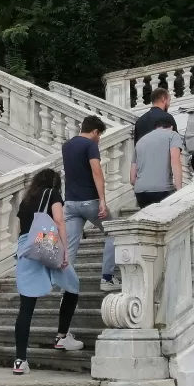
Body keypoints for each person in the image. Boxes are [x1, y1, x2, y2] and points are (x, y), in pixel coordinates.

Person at [13, 168, 82, 374]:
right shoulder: (52, 193)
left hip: (27, 247)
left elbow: (21, 230)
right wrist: (64, 251)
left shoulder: (26, 201)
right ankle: (62, 336)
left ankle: (20, 361)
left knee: (26, 305)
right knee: (73, 286)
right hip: (49, 242)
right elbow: (59, 220)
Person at [61, 116, 118, 291]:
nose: (99, 139)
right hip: (89, 201)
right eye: (99, 135)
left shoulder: (67, 146)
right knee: (113, 231)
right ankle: (107, 278)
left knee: (70, 246)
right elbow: (97, 172)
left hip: (70, 203)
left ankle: (66, 286)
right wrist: (102, 200)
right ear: (94, 131)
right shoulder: (90, 145)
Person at [131, 120, 184, 207]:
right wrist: (179, 189)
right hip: (163, 189)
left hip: (141, 191)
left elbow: (132, 179)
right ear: (171, 127)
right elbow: (175, 160)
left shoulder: (141, 141)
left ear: (156, 127)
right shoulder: (172, 135)